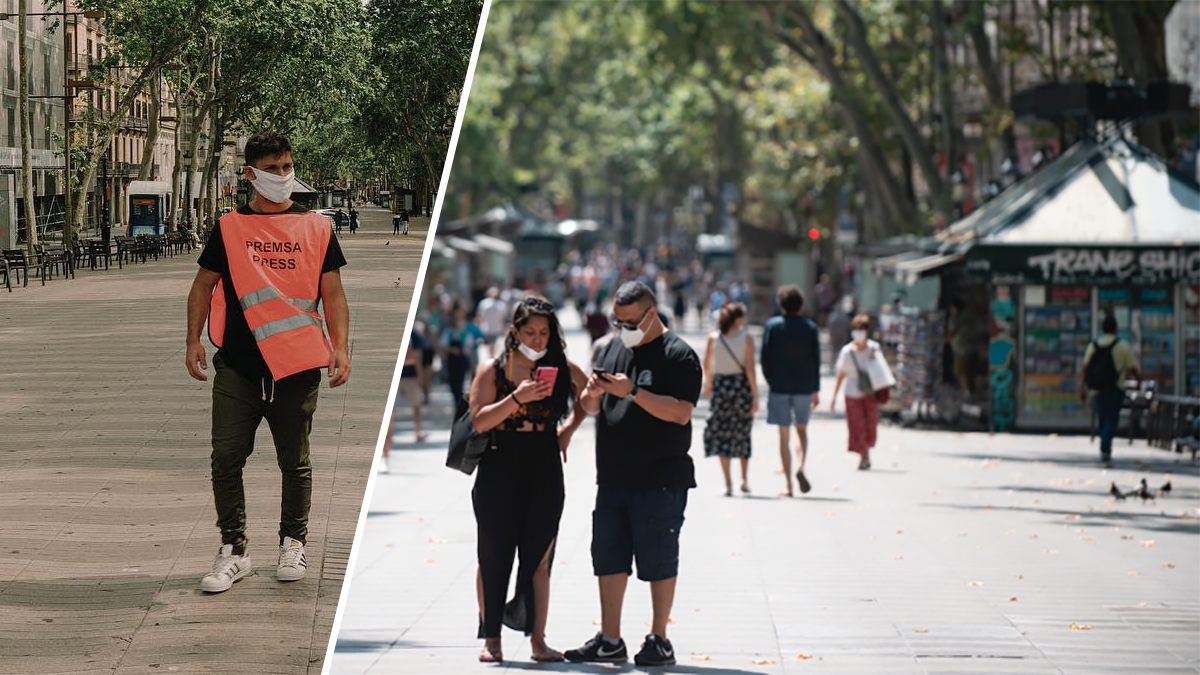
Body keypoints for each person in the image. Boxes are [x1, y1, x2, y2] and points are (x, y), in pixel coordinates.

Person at [185, 131, 351, 593]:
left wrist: (341, 347)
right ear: (250, 173)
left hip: (297, 366)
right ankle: (234, 552)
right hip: (237, 364)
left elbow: (332, 294)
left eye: (287, 167)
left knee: (294, 463)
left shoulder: (318, 227)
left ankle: (293, 542)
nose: (283, 176)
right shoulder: (229, 227)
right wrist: (192, 341)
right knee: (225, 460)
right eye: (273, 169)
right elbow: (202, 286)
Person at [566, 281, 702, 667]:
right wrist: (592, 394)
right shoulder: (613, 347)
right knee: (608, 557)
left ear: (651, 315)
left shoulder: (679, 355)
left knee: (659, 558)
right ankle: (610, 638)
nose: (621, 327)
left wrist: (631, 393)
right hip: (612, 475)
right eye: (617, 320)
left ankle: (659, 637)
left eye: (628, 321)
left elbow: (680, 412)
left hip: (659, 476)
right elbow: (592, 407)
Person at [469, 297, 589, 663]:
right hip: (499, 464)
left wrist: (568, 429)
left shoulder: (561, 367)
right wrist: (516, 398)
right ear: (514, 331)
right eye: (530, 333)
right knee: (494, 555)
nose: (537, 340)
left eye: (544, 333)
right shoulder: (493, 369)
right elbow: (478, 420)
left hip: (544, 463)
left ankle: (538, 640)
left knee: (539, 557)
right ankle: (492, 639)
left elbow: (590, 396)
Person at [761, 285, 820, 495]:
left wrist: (771, 380)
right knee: (802, 430)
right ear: (801, 305)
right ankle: (801, 465)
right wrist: (816, 388)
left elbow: (765, 358)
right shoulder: (810, 327)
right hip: (804, 386)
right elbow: (816, 360)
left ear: (780, 304)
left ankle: (788, 485)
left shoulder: (773, 326)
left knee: (783, 434)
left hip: (780, 386)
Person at [702, 303, 757, 496]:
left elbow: (707, 364)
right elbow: (750, 369)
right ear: (738, 319)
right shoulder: (746, 338)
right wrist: (755, 396)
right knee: (742, 431)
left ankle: (728, 482)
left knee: (722, 432)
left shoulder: (713, 338)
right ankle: (744, 479)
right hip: (741, 387)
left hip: (721, 387)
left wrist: (707, 383)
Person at [1080, 314, 1139, 467]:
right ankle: (1105, 446)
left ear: (1102, 329)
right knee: (1112, 418)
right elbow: (1132, 367)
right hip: (1115, 388)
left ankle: (1105, 445)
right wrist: (1139, 380)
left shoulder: (1094, 345)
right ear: (1116, 329)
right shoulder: (1123, 346)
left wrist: (1082, 389)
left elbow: (1085, 369)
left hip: (1096, 390)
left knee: (1102, 418)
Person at [831, 315, 885, 470]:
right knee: (857, 426)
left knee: (870, 426)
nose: (858, 332)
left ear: (868, 331)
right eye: (856, 329)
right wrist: (834, 397)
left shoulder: (874, 348)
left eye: (861, 329)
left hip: (870, 393)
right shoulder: (847, 351)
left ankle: (866, 453)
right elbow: (841, 374)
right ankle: (864, 455)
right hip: (853, 394)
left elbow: (882, 372)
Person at [439, 307, 477, 404]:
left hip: (462, 360)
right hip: (451, 360)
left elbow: (470, 349)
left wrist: (473, 362)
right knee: (452, 382)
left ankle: (460, 402)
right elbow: (443, 346)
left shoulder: (467, 333)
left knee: (462, 382)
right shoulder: (448, 332)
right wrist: (451, 350)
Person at [947, 298, 972, 394]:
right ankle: (967, 390)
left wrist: (944, 341)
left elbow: (952, 333)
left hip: (961, 349)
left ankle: (966, 391)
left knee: (960, 371)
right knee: (966, 370)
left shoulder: (955, 318)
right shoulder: (967, 315)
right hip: (969, 346)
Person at [476, 287, 509, 359]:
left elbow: (503, 319)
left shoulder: (501, 305)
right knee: (492, 346)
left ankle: (492, 359)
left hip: (494, 329)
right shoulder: (484, 303)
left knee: (494, 347)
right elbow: (480, 318)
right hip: (488, 329)